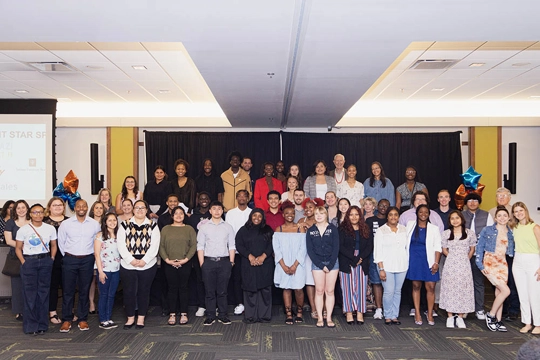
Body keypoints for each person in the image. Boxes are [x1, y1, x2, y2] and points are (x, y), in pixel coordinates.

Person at [57, 199, 100, 332]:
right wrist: (69, 256)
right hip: (70, 259)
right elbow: (61, 242)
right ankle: (67, 320)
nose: (81, 208)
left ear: (87, 208)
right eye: (78, 206)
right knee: (68, 291)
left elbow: (96, 241)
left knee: (84, 290)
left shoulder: (94, 224)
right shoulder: (66, 224)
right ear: (74, 208)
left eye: (84, 206)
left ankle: (82, 319)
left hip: (87, 260)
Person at [117, 200, 160, 330]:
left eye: (143, 208)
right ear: (133, 210)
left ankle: (141, 317)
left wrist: (144, 260)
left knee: (143, 291)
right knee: (129, 292)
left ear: (147, 210)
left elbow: (155, 245)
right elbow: (120, 244)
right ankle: (130, 318)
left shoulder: (153, 225)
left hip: (147, 264)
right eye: (137, 208)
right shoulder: (124, 224)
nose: (140, 210)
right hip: (128, 264)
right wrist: (130, 259)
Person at [15, 203, 57, 335]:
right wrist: (23, 262)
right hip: (29, 262)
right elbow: (17, 248)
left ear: (44, 214)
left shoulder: (50, 228)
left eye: (40, 212)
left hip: (45, 261)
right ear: (30, 214)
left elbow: (54, 245)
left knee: (43, 294)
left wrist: (51, 259)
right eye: (35, 212)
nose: (38, 214)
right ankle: (31, 326)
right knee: (30, 294)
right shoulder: (23, 230)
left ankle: (42, 325)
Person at [197, 201, 236, 326]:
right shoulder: (204, 227)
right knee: (209, 291)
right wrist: (202, 264)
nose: (217, 211)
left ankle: (223, 315)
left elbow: (232, 246)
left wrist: (231, 262)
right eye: (214, 208)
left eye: (219, 209)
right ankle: (210, 315)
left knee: (222, 291)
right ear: (210, 211)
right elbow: (200, 247)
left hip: (224, 262)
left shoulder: (228, 227)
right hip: (208, 261)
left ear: (222, 211)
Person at [476, 206, 514, 332]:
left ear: (508, 218)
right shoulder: (487, 230)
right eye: (499, 216)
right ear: (495, 218)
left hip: (503, 264)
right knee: (506, 291)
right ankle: (491, 315)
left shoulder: (510, 233)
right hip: (490, 263)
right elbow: (479, 247)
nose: (502, 218)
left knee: (500, 293)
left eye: (505, 215)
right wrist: (480, 265)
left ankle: (498, 320)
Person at [159, 206, 197, 326]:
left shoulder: (189, 229)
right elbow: (161, 246)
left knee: (184, 288)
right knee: (172, 288)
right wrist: (167, 260)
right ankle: (172, 314)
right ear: (172, 215)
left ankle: (184, 313)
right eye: (176, 213)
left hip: (185, 263)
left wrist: (185, 260)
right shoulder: (165, 229)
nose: (179, 215)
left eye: (181, 213)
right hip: (169, 263)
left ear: (184, 215)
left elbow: (193, 246)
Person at [236, 209, 274, 323]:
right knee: (249, 290)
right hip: (248, 263)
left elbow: (272, 245)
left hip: (265, 263)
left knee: (265, 290)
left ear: (263, 218)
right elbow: (239, 245)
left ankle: (264, 316)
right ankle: (250, 316)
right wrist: (250, 256)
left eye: (259, 216)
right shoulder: (243, 230)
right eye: (254, 215)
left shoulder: (268, 230)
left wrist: (263, 256)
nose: (257, 218)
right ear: (250, 216)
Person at [406, 204, 442, 326]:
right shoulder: (410, 225)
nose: (423, 214)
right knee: (416, 286)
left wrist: (436, 262)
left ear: (429, 214)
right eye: (420, 212)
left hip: (430, 260)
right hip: (415, 260)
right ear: (417, 213)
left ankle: (430, 313)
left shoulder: (434, 228)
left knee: (431, 287)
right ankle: (417, 312)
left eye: (426, 212)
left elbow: (438, 247)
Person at [439, 210, 476, 329]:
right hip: (450, 265)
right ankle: (450, 316)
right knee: (450, 288)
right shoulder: (446, 233)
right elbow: (444, 249)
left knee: (463, 289)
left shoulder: (469, 233)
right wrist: (451, 257)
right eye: (452, 218)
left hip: (464, 265)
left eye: (457, 218)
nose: (455, 220)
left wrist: (465, 259)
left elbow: (472, 249)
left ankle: (460, 316)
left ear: (462, 219)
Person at [374, 207, 408, 325]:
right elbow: (377, 251)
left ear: (398, 217)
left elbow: (407, 248)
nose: (393, 217)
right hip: (386, 266)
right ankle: (388, 315)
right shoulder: (381, 230)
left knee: (397, 291)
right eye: (391, 215)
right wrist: (381, 268)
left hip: (402, 265)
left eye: (395, 215)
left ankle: (394, 315)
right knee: (389, 291)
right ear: (387, 216)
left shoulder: (404, 229)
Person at [462, 192, 494, 320]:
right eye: (470, 200)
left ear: (479, 202)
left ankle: (479, 309)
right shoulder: (461, 215)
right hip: (463, 255)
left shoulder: (487, 215)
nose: (472, 203)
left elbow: (491, 235)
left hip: (479, 255)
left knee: (479, 282)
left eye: (475, 200)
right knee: (464, 282)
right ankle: (463, 309)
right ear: (466, 203)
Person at [273, 201, 306, 324]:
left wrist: (294, 265)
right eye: (287, 213)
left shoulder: (300, 229)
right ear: (283, 215)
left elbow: (303, 249)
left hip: (298, 264)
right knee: (286, 288)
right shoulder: (279, 229)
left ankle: (299, 312)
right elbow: (276, 249)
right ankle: (288, 314)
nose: (290, 215)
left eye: (292, 213)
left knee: (298, 288)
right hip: (283, 264)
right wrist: (283, 266)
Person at [338, 206, 373, 325]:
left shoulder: (366, 228)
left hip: (362, 260)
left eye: (356, 214)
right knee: (347, 288)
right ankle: (348, 312)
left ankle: (360, 312)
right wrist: (353, 258)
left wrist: (360, 258)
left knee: (361, 287)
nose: (354, 217)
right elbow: (340, 246)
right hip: (346, 260)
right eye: (351, 214)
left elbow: (369, 246)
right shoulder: (342, 229)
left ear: (360, 216)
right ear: (348, 216)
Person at [306, 206, 340, 328]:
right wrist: (320, 265)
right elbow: (310, 251)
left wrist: (330, 265)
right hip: (317, 263)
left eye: (321, 213)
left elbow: (336, 248)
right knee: (319, 291)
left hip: (333, 263)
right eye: (316, 214)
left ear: (326, 214)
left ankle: (329, 318)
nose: (319, 216)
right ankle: (320, 318)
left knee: (329, 291)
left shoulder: (333, 229)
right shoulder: (311, 231)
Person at [489, 187, 519, 320]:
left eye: (503, 196)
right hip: (496, 255)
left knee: (511, 283)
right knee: (498, 284)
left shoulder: (515, 211)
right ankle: (502, 310)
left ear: (509, 198)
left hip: (511, 253)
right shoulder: (491, 212)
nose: (501, 198)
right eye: (498, 196)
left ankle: (513, 311)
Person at [511, 202, 540, 335]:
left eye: (520, 210)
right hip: (518, 261)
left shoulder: (535, 227)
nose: (518, 213)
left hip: (533, 261)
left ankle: (537, 324)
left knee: (534, 294)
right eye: (516, 211)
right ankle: (527, 322)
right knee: (522, 294)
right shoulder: (514, 227)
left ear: (525, 211)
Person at [225, 190, 252, 316]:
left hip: (249, 252)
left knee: (248, 278)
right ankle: (239, 303)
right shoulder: (230, 213)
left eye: (244, 196)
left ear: (248, 198)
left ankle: (250, 303)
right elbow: (229, 232)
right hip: (234, 251)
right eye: (239, 196)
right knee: (237, 278)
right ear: (236, 198)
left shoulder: (252, 213)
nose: (242, 198)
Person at [43, 197, 69, 325]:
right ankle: (52, 312)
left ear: (64, 207)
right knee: (53, 286)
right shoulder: (43, 222)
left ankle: (68, 312)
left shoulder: (70, 221)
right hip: (50, 258)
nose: (58, 207)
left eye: (60, 205)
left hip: (68, 258)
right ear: (49, 207)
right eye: (55, 205)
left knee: (68, 287)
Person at [4, 199, 31, 321]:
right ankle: (19, 311)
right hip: (16, 257)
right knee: (17, 285)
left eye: (23, 207)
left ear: (27, 209)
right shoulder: (10, 223)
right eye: (18, 208)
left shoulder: (32, 222)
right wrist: (23, 246)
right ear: (15, 210)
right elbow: (9, 241)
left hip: (31, 257)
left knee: (30, 284)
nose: (21, 210)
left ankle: (29, 308)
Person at [298, 197, 324, 318]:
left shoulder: (320, 221)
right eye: (306, 207)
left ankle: (322, 308)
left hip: (318, 254)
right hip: (305, 255)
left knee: (320, 282)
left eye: (311, 207)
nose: (308, 210)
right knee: (309, 281)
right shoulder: (300, 220)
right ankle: (314, 308)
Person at [94, 213, 121, 329]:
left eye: (114, 220)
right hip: (104, 270)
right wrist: (100, 272)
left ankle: (108, 318)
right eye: (109, 220)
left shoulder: (119, 235)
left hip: (116, 269)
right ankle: (102, 319)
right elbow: (96, 254)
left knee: (111, 295)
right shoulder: (100, 236)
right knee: (104, 294)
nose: (112, 222)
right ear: (105, 222)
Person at [366, 199, 390, 320]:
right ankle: (379, 308)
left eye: (386, 206)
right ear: (377, 207)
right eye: (381, 205)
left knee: (389, 283)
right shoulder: (370, 220)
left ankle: (388, 308)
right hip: (374, 255)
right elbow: (367, 239)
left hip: (389, 255)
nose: (383, 208)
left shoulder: (390, 220)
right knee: (376, 282)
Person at [89, 201, 105, 314]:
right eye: (96, 208)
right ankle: (91, 303)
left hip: (103, 255)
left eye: (101, 208)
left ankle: (101, 302)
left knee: (101, 278)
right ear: (92, 210)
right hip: (90, 253)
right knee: (91, 280)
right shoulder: (87, 222)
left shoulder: (106, 222)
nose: (99, 210)